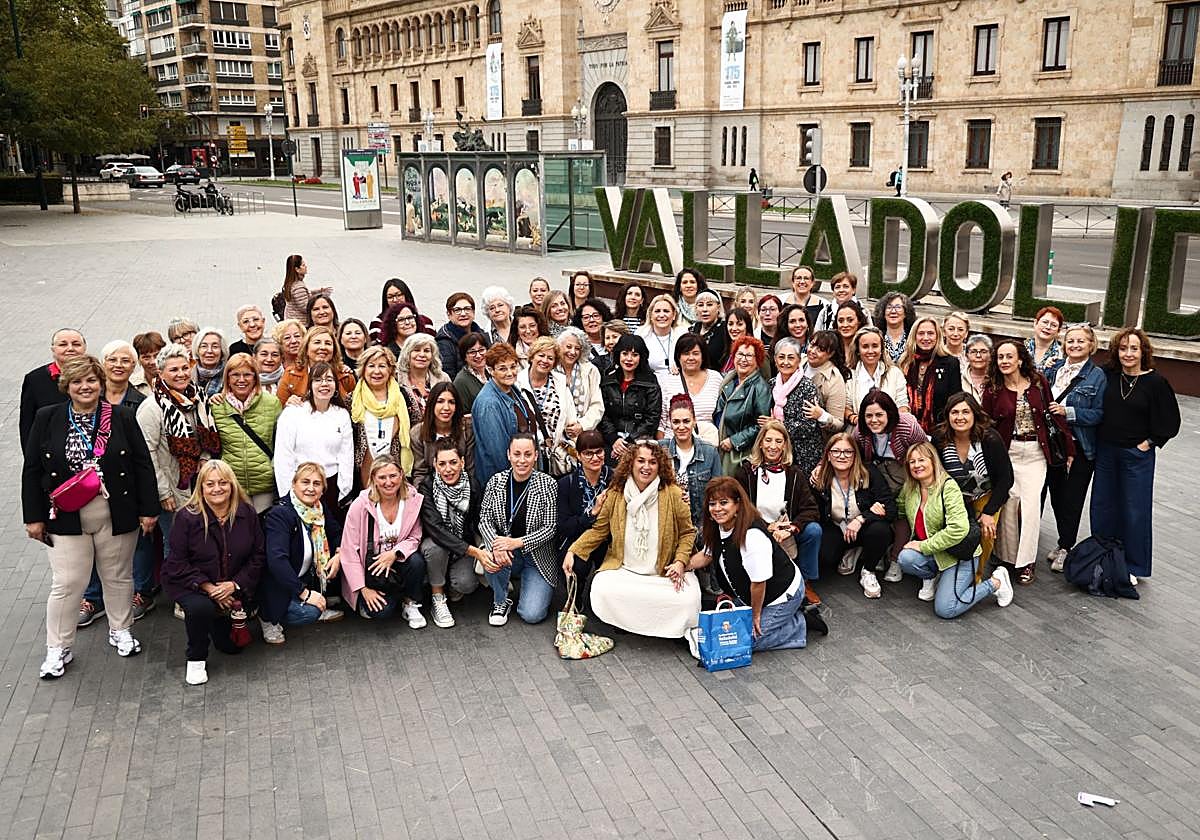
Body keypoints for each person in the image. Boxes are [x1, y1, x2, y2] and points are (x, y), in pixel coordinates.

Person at [23, 356, 159, 679]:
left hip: (115, 511)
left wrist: (148, 509)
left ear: (100, 383)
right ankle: (58, 647)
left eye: (91, 381)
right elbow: (32, 469)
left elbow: (142, 463)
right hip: (64, 515)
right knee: (68, 582)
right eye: (77, 382)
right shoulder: (47, 417)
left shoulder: (122, 416)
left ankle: (121, 629)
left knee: (117, 575)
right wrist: (33, 517)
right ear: (66, 386)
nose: (85, 387)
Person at [564, 441, 697, 639]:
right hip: (625, 570)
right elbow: (599, 530)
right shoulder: (616, 493)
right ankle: (627, 622)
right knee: (601, 588)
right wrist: (573, 550)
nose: (646, 467)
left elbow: (688, 533)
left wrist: (679, 562)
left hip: (662, 573)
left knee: (689, 600)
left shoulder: (674, 494)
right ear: (631, 463)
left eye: (652, 462)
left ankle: (656, 627)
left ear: (660, 466)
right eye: (641, 461)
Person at [1090, 327, 1180, 582]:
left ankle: (1133, 565)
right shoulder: (1108, 375)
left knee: (1134, 510)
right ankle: (1103, 558)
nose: (1128, 354)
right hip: (1106, 452)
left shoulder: (1156, 383)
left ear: (1143, 352)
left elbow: (1171, 421)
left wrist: (1149, 443)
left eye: (1133, 348)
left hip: (1136, 456)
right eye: (1122, 348)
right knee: (1102, 506)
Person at [163, 459, 264, 686]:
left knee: (232, 648)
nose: (217, 488)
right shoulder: (186, 517)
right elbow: (177, 562)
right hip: (191, 583)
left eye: (223, 483)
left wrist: (234, 585)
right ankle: (196, 658)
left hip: (231, 582)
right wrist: (209, 588)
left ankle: (217, 621)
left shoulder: (247, 513)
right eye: (210, 484)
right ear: (201, 487)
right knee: (200, 608)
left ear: (232, 485)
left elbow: (258, 555)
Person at [982, 339, 1074, 585]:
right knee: (1010, 504)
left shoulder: (1038, 383)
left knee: (1031, 507)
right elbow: (985, 425)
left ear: (1020, 359)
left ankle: (1026, 562)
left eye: (1009, 356)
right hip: (1008, 453)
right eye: (1000, 357)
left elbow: (1052, 415)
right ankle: (1007, 558)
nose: (1004, 361)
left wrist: (1069, 447)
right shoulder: (992, 389)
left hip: (1035, 452)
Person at [896, 443, 1015, 618]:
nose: (916, 465)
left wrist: (922, 546)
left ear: (933, 461)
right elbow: (899, 508)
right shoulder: (910, 488)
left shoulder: (948, 487)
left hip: (959, 555)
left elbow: (958, 529)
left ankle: (996, 583)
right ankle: (934, 577)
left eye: (921, 460)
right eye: (912, 462)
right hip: (936, 552)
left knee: (946, 609)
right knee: (905, 558)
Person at [691, 477, 809, 652]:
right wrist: (681, 566)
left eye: (724, 503)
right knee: (727, 636)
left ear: (738, 504)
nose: (717, 509)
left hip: (781, 595)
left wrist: (755, 616)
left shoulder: (752, 536)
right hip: (750, 594)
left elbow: (758, 583)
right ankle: (778, 621)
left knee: (743, 642)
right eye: (712, 504)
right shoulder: (719, 525)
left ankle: (800, 625)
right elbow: (706, 555)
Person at [733, 421, 822, 605]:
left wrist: (792, 527)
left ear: (785, 445)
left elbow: (811, 509)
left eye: (778, 441)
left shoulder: (794, 474)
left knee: (814, 530)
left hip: (786, 528)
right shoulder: (746, 472)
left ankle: (805, 581)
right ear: (760, 443)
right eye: (768, 440)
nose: (773, 446)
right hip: (757, 528)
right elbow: (739, 508)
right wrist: (767, 526)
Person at [934, 392, 1013, 595]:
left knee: (986, 531)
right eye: (955, 412)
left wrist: (989, 512)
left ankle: (976, 578)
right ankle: (945, 571)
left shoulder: (990, 439)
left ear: (975, 414)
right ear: (948, 415)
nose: (960, 417)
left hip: (985, 495)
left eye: (965, 412)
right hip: (953, 497)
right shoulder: (940, 439)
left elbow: (1006, 478)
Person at [138, 343, 222, 531]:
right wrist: (164, 492)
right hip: (173, 488)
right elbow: (147, 453)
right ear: (161, 373)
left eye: (185, 368)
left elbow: (206, 436)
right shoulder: (152, 407)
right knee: (177, 542)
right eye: (173, 370)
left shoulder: (199, 398)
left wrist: (204, 457)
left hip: (199, 484)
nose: (181, 374)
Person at [1044, 324, 1107, 572]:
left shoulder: (1097, 376)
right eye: (1070, 341)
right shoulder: (1055, 369)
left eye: (1081, 341)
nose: (1075, 345)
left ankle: (1066, 547)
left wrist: (1067, 412)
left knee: (1071, 499)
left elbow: (1099, 414)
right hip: (1052, 444)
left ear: (1091, 345)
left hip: (1079, 446)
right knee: (1056, 496)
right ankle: (1063, 541)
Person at [479, 434, 560, 625]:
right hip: (506, 551)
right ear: (508, 455)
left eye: (527, 454)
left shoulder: (548, 484)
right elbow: (484, 519)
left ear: (536, 456)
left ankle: (529, 583)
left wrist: (517, 542)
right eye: (517, 454)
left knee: (532, 615)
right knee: (489, 556)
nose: (522, 460)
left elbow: (550, 528)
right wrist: (496, 544)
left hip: (537, 555)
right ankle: (501, 600)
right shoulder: (496, 481)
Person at [336, 455, 428, 625]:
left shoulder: (412, 499)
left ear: (401, 475)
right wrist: (363, 588)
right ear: (373, 478)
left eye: (393, 476)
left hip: (397, 561)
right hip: (371, 568)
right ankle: (373, 599)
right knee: (383, 612)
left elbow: (415, 537)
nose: (388, 482)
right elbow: (349, 551)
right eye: (382, 477)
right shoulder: (361, 505)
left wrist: (394, 553)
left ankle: (410, 602)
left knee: (416, 561)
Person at [260, 463, 345, 645]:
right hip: (280, 583)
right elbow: (277, 561)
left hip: (305, 575)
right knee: (310, 613)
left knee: (346, 556)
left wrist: (338, 554)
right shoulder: (280, 514)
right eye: (305, 482)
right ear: (294, 484)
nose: (311, 488)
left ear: (322, 489)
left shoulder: (318, 508)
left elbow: (336, 533)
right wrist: (304, 593)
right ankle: (268, 617)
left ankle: (317, 599)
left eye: (317, 483)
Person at [851, 389, 927, 584]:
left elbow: (925, 452)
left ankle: (896, 559)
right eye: (868, 416)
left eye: (879, 415)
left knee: (901, 511)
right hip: (878, 472)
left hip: (907, 472)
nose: (873, 420)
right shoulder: (860, 431)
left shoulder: (907, 426)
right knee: (878, 506)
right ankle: (877, 550)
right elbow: (850, 450)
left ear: (889, 413)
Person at [812, 433, 895, 598]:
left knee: (881, 531)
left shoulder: (869, 473)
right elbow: (814, 512)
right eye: (836, 451)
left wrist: (862, 518)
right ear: (828, 456)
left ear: (855, 455)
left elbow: (891, 509)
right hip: (837, 528)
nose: (842, 456)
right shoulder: (819, 479)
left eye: (848, 452)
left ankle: (868, 570)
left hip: (864, 528)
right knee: (825, 556)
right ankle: (851, 550)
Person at [418, 438, 486, 627]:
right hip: (436, 546)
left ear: (462, 462)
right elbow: (435, 529)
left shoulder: (472, 485)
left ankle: (449, 583)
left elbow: (478, 522)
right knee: (434, 548)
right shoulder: (426, 487)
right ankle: (437, 596)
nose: (448, 469)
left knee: (466, 584)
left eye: (453, 462)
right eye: (442, 464)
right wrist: (473, 551)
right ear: (435, 464)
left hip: (461, 549)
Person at [274, 361, 354, 516]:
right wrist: (287, 494)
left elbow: (346, 456)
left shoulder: (342, 414)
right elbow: (283, 457)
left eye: (329, 379)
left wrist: (345, 491)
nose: (324, 384)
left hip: (331, 487)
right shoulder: (292, 414)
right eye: (318, 380)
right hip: (301, 486)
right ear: (310, 385)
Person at [209, 354, 281, 513]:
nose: (241, 380)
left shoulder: (272, 403)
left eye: (247, 374)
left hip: (265, 482)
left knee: (263, 524)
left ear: (255, 377)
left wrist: (272, 468)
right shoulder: (216, 406)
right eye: (235, 375)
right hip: (232, 483)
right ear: (227, 378)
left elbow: (281, 442)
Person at [471, 342, 540, 487]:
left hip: (524, 472)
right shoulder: (489, 403)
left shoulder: (512, 389)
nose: (510, 373)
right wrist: (516, 484)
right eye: (502, 368)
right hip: (506, 483)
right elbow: (499, 453)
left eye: (513, 366)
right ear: (490, 370)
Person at [349, 346, 413, 488]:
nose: (376, 371)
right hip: (363, 472)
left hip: (395, 473)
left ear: (390, 369)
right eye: (371, 366)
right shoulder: (352, 399)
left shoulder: (404, 396)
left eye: (382, 366)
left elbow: (416, 428)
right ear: (363, 369)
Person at [660, 395, 722, 541]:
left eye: (686, 421)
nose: (681, 427)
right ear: (670, 423)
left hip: (701, 528)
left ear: (694, 421)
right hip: (667, 526)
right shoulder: (660, 450)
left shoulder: (710, 452)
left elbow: (718, 492)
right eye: (676, 422)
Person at [557, 430, 613, 586]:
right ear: (578, 455)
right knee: (576, 567)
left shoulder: (615, 479)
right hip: (576, 538)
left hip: (607, 540)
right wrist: (592, 513)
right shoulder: (566, 484)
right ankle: (575, 596)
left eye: (599, 452)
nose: (595, 458)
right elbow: (564, 527)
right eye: (588, 453)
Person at [598, 335, 662, 462]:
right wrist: (614, 439)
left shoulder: (650, 382)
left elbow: (652, 417)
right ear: (618, 355)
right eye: (625, 353)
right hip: (612, 440)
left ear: (641, 357)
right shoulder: (608, 381)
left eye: (634, 355)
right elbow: (603, 414)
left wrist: (629, 442)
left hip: (640, 440)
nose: (629, 359)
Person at [21, 328, 86, 450]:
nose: (70, 348)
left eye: (76, 344)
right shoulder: (35, 379)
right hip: (50, 452)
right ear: (53, 349)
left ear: (84, 348)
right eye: (63, 344)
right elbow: (27, 425)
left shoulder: (97, 376)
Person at [770, 337, 825, 480]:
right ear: (775, 360)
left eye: (791, 358)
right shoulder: (772, 384)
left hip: (804, 453)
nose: (785, 362)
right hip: (778, 451)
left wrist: (778, 426)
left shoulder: (807, 387)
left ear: (799, 360)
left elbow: (808, 425)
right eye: (781, 357)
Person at [715, 336, 772, 474]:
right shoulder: (728, 381)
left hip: (739, 455)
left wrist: (734, 441)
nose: (743, 359)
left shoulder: (761, 388)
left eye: (749, 356)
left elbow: (761, 426)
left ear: (757, 361)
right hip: (720, 446)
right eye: (740, 354)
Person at [899, 317, 962, 433]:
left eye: (930, 333)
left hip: (940, 430)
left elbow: (955, 400)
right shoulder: (905, 363)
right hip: (907, 429)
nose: (926, 338)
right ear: (914, 336)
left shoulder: (950, 363)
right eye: (921, 333)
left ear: (937, 336)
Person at [410, 381, 475, 486]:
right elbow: (420, 473)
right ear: (432, 404)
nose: (446, 407)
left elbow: (470, 469)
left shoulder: (467, 429)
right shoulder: (417, 434)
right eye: (440, 401)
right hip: (431, 488)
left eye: (451, 402)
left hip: (463, 487)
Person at [657, 333, 724, 436]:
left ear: (703, 356)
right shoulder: (667, 381)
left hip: (707, 440)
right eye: (686, 353)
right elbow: (661, 424)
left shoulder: (716, 378)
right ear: (678, 356)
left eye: (695, 353)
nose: (691, 357)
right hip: (673, 440)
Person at [277, 325, 355, 406]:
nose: (323, 347)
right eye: (317, 342)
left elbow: (355, 408)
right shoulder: (291, 375)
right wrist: (287, 404)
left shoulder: (346, 377)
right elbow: (279, 408)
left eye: (328, 343)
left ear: (334, 350)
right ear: (306, 348)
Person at [845, 326, 908, 425]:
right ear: (858, 350)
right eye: (865, 346)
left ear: (882, 349)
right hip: (859, 428)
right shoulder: (849, 375)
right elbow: (846, 406)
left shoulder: (895, 373)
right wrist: (856, 419)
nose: (870, 351)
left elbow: (902, 405)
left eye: (875, 346)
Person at [397, 332, 450, 427]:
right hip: (407, 433)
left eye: (426, 351)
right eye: (416, 350)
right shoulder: (397, 379)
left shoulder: (442, 378)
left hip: (437, 432)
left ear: (432, 355)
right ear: (407, 354)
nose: (422, 354)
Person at [556, 328, 604, 432]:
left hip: (583, 431)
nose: (572, 352)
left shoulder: (591, 370)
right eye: (568, 347)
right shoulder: (551, 369)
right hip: (555, 429)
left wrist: (582, 425)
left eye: (577, 348)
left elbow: (597, 405)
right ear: (559, 347)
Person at [436, 293, 488, 380]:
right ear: (449, 314)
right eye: (457, 310)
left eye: (467, 309)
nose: (463, 314)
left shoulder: (482, 335)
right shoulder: (444, 341)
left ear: (473, 312)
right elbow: (449, 376)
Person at [804, 331, 848, 434]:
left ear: (831, 354)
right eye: (812, 345)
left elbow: (839, 423)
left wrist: (822, 415)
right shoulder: (799, 361)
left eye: (820, 349)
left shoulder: (834, 379)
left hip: (816, 436)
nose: (813, 351)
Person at [636, 294, 687, 377]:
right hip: (649, 381)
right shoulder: (641, 334)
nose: (662, 315)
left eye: (666, 311)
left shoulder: (683, 335)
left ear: (674, 315)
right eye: (657, 311)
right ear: (651, 315)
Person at [371, 278, 434, 342]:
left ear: (407, 296)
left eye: (399, 295)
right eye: (390, 297)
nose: (395, 300)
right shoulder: (377, 323)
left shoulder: (426, 322)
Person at [280, 255, 331, 325]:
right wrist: (320, 300)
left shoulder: (291, 283)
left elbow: (304, 294)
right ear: (297, 269)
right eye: (303, 265)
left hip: (291, 319)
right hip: (300, 323)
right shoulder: (298, 287)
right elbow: (306, 307)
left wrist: (319, 291)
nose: (306, 267)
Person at [690, 290, 729, 370]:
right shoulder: (693, 329)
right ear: (696, 308)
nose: (705, 309)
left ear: (718, 307)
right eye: (701, 305)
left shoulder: (725, 329)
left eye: (709, 305)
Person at [570, 297, 613, 368]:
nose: (591, 320)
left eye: (596, 315)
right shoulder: (578, 346)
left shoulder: (613, 342)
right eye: (586, 317)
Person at [873, 292, 915, 363]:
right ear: (883, 313)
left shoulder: (913, 338)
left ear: (906, 312)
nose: (893, 311)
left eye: (898, 307)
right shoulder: (876, 337)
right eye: (889, 307)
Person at [784, 265, 828, 332]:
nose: (802, 282)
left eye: (806, 278)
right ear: (793, 282)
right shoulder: (782, 302)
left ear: (812, 283)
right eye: (798, 278)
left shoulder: (824, 305)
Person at [452, 332, 489, 412]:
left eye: (481, 350)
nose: (478, 355)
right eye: (472, 352)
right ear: (464, 357)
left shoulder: (493, 372)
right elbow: (463, 415)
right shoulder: (461, 381)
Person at [1025, 306, 1065, 373]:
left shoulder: (1062, 354)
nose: (1048, 327)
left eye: (1054, 325)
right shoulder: (1021, 348)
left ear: (1058, 331)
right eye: (1045, 322)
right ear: (1035, 323)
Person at [131, 330, 166, 396]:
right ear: (138, 359)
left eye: (157, 355)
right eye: (146, 357)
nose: (153, 362)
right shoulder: (131, 384)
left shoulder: (175, 379)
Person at [960, 334, 993, 401]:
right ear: (966, 356)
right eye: (973, 352)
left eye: (983, 352)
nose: (978, 355)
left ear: (990, 355)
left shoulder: (996, 379)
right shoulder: (959, 378)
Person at [722, 307, 755, 374]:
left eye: (739, 324)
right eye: (730, 324)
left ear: (747, 326)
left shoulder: (756, 350)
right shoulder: (726, 349)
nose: (734, 328)